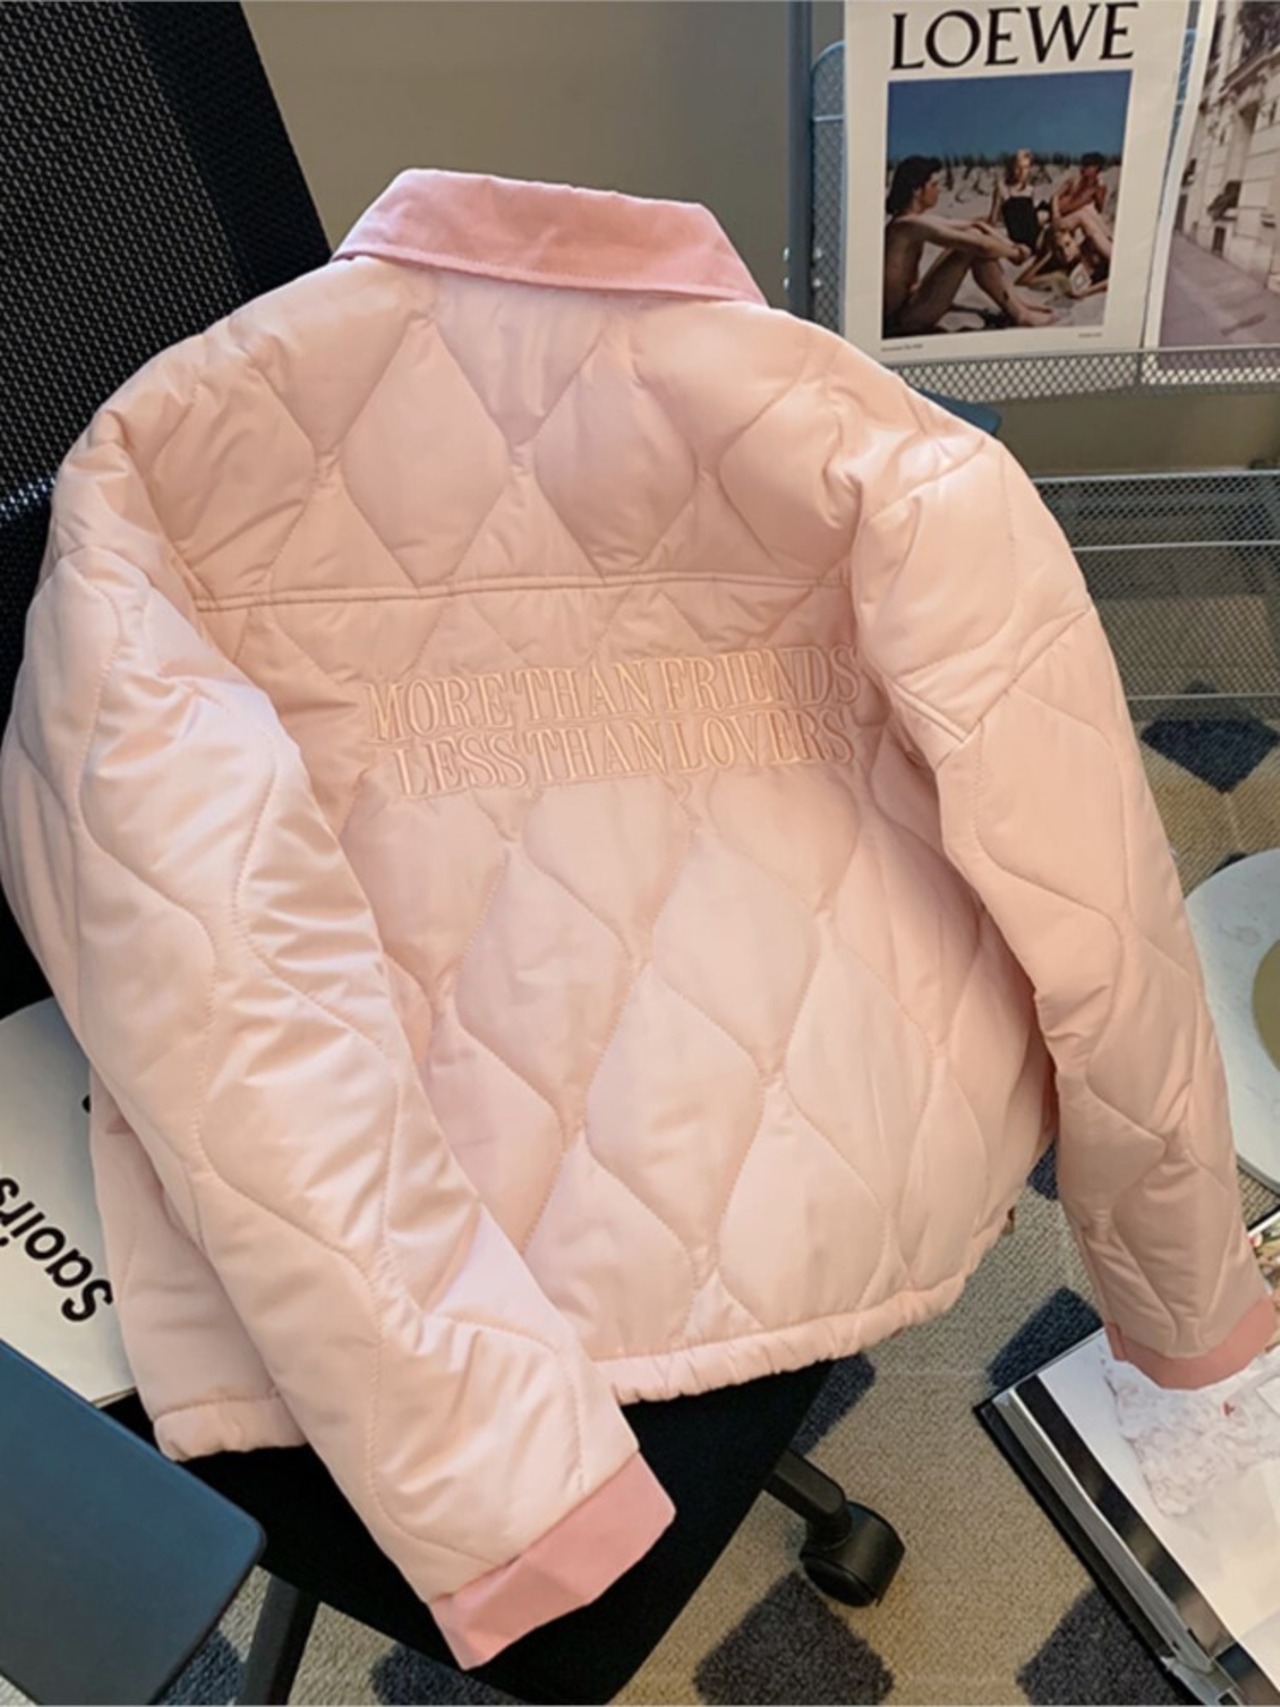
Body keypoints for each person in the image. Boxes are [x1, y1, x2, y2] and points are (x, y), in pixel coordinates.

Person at [883, 154, 1055, 336]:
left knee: (972, 236)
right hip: (903, 320)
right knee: (972, 246)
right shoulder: (909, 225)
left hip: (911, 302)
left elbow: (974, 224)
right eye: (933, 185)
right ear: (917, 191)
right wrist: (1015, 253)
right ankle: (1018, 312)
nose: (938, 190)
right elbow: (982, 247)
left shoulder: (910, 220)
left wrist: (1011, 245)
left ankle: (1016, 303)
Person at [1049, 151, 1113, 265]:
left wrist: (1098, 192)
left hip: (1077, 222)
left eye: (1088, 166)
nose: (1084, 169)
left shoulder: (1098, 186)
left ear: (1096, 169)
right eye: (1084, 165)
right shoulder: (1074, 181)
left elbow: (1099, 209)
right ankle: (1111, 250)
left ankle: (1107, 242)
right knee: (1086, 211)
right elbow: (1054, 196)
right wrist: (1055, 214)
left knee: (1088, 210)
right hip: (1061, 218)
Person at [989, 147, 1044, 251]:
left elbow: (1031, 218)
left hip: (1037, 238)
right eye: (1018, 167)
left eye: (1026, 168)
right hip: (1017, 243)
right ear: (1012, 167)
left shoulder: (1030, 189)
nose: (1022, 172)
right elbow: (993, 220)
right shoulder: (1002, 189)